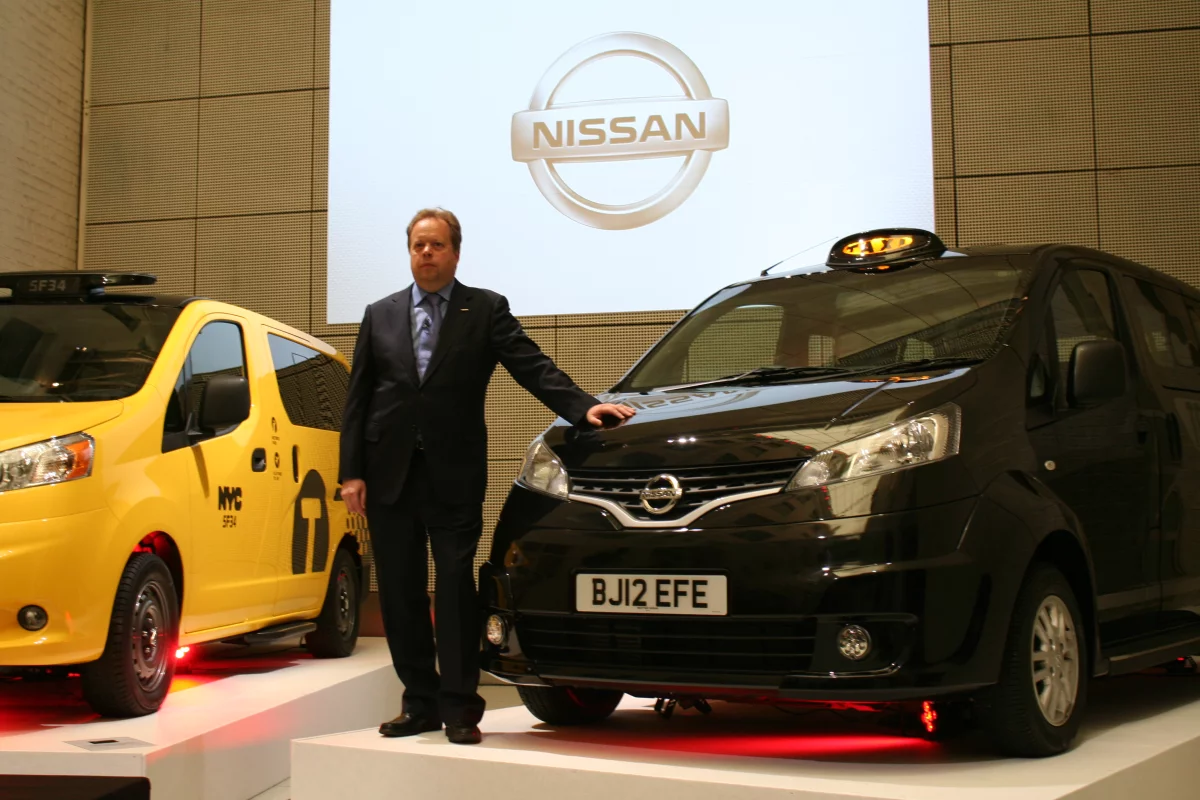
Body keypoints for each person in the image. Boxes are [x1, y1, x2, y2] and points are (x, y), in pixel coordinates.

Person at [338, 208, 634, 745]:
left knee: (452, 589)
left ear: (455, 252)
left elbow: (530, 364)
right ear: (409, 252)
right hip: (387, 478)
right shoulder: (379, 314)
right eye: (418, 245)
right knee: (401, 594)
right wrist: (351, 473)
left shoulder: (485, 308)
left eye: (436, 245)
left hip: (453, 475)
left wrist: (583, 407)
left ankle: (458, 707)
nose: (426, 253)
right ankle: (419, 703)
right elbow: (358, 400)